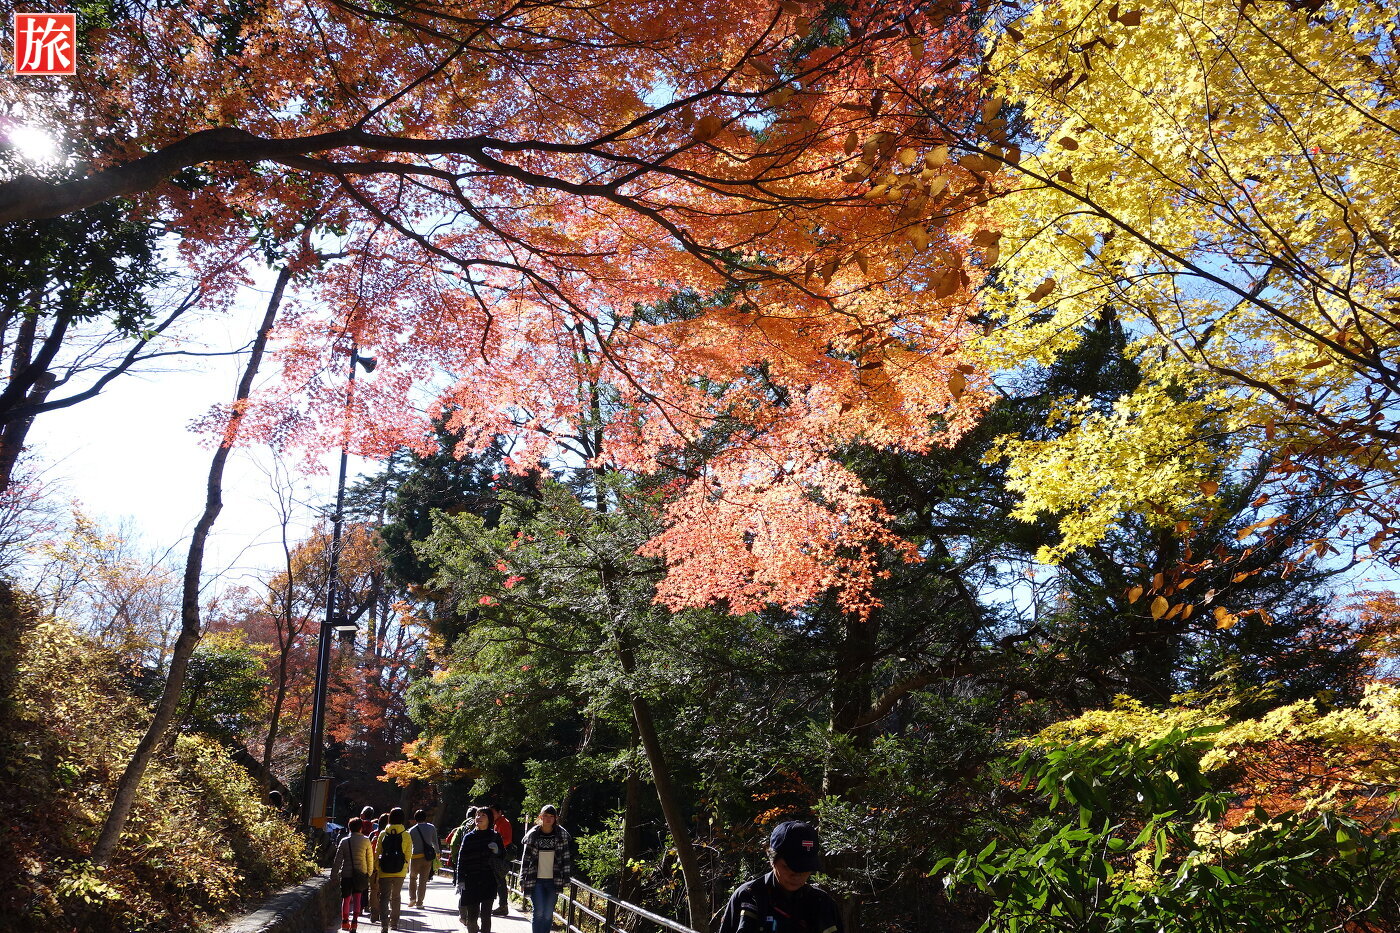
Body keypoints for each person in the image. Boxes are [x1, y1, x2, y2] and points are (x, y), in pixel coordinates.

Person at [716, 821, 842, 933]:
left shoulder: (823, 903)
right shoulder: (748, 896)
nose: (797, 876)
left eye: (805, 869)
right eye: (790, 867)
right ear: (772, 861)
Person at [518, 805, 572, 933]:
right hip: (535, 880)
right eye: (545, 816)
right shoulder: (532, 835)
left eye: (551, 816)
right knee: (539, 912)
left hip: (554, 880)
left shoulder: (561, 835)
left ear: (555, 818)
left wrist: (566, 878)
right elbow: (526, 859)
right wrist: (522, 878)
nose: (548, 819)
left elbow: (566, 858)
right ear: (540, 817)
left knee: (548, 914)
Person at [452, 805, 504, 933]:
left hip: (489, 880)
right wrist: (460, 880)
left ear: (489, 819)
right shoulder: (469, 837)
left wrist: (497, 850)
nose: (479, 817)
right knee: (472, 917)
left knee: (486, 916)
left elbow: (503, 855)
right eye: (477, 815)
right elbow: (461, 859)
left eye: (483, 815)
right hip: (471, 880)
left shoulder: (495, 836)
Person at [373, 807, 414, 933]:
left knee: (384, 897)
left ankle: (384, 925)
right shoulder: (406, 834)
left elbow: (377, 852)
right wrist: (405, 865)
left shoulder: (383, 834)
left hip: (384, 870)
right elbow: (409, 853)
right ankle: (394, 923)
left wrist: (377, 867)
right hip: (400, 871)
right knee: (396, 897)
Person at [332, 817, 375, 932]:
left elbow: (337, 860)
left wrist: (334, 874)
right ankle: (355, 922)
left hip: (346, 874)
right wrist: (369, 872)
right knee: (357, 898)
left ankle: (345, 922)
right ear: (361, 828)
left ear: (349, 827)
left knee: (346, 899)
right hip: (360, 874)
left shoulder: (344, 841)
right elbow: (370, 858)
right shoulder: (366, 840)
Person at [407, 808, 440, 909]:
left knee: (413, 878)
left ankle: (412, 898)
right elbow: (435, 842)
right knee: (423, 881)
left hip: (415, 857)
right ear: (425, 818)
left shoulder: (411, 830)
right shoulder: (431, 828)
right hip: (427, 858)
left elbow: (409, 845)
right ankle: (420, 902)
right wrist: (438, 853)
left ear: (415, 818)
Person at [490, 808, 514, 917]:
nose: (492, 815)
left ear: (499, 812)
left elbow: (507, 839)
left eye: (493, 812)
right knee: (499, 880)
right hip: (498, 855)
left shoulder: (504, 823)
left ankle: (503, 906)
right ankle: (502, 905)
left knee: (500, 880)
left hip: (502, 856)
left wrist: (497, 846)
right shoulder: (497, 823)